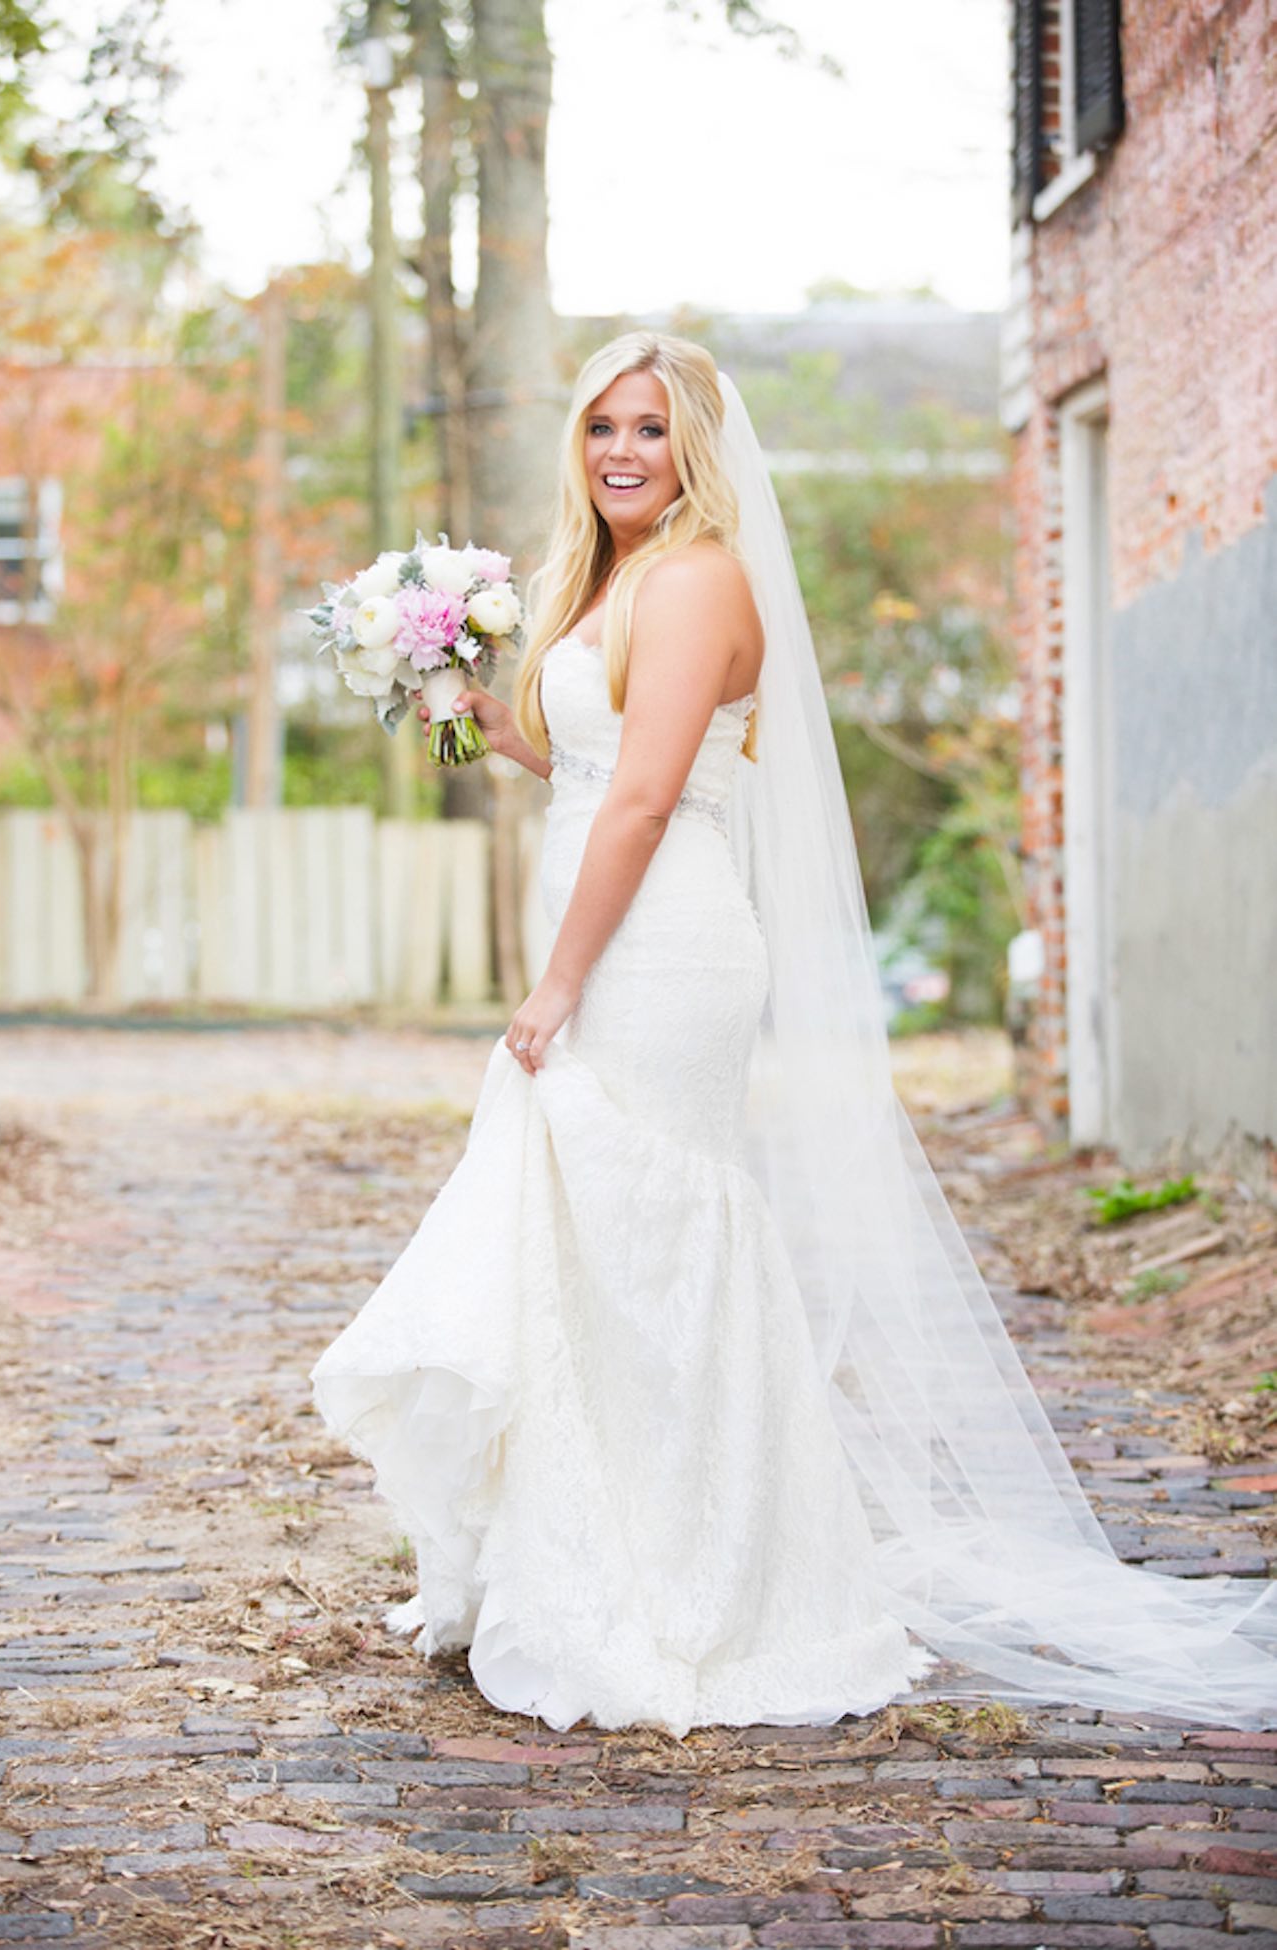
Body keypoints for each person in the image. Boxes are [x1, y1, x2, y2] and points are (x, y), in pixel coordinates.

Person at [311, 332, 1277, 1737]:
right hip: (601, 920)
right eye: (601, 428)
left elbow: (645, 804)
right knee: (586, 1237)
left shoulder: (700, 578)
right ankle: (590, 1541)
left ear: (697, 444)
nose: (623, 450)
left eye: (649, 427)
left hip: (657, 944)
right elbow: (585, 764)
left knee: (653, 1232)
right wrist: (457, 706)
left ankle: (704, 1581)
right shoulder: (608, 579)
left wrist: (560, 980)